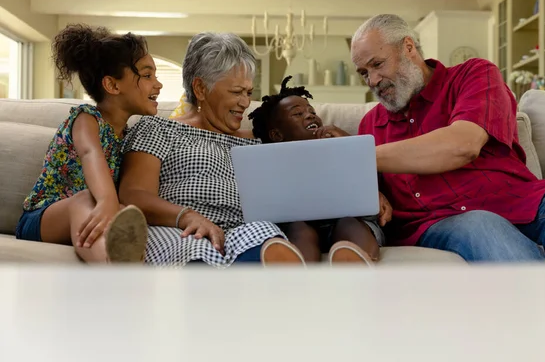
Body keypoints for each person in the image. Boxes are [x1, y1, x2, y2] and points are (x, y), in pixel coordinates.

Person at [350, 13, 545, 262]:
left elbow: (463, 146)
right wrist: (373, 193)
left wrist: (361, 157)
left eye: (377, 64)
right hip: (440, 222)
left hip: (516, 199)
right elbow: (363, 193)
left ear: (408, 47)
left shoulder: (473, 75)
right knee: (480, 224)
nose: (372, 81)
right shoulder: (371, 125)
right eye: (363, 73)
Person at [118, 32, 305, 267]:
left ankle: (257, 291)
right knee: (192, 248)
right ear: (200, 88)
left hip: (243, 229)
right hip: (179, 228)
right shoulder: (158, 129)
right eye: (237, 92)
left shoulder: (259, 142)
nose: (246, 103)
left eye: (248, 93)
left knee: (266, 234)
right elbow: (133, 194)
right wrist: (186, 215)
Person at [15, 24, 161, 263]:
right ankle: (110, 268)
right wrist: (107, 201)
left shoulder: (129, 135)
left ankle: (128, 259)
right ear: (112, 85)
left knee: (127, 212)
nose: (158, 84)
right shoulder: (86, 119)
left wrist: (114, 206)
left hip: (94, 214)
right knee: (85, 200)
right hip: (43, 218)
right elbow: (91, 153)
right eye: (147, 75)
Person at [248, 76, 392, 264]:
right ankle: (299, 270)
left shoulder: (340, 146)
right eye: (297, 114)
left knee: (348, 223)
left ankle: (358, 261)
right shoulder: (269, 161)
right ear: (277, 135)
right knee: (299, 227)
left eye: (311, 111)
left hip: (348, 222)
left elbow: (372, 174)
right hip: (299, 225)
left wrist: (346, 142)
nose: (309, 115)